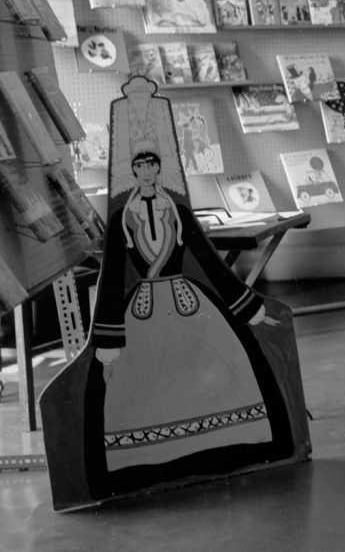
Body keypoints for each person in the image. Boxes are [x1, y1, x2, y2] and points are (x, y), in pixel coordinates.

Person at [78, 77, 295, 500]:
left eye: (152, 165)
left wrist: (248, 308)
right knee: (139, 384)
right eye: (138, 166)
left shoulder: (176, 210)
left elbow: (210, 264)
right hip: (142, 310)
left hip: (187, 302)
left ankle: (226, 445)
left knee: (221, 366)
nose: (146, 171)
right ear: (132, 170)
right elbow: (116, 271)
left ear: (160, 168)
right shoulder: (124, 217)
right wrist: (107, 340)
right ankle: (144, 460)